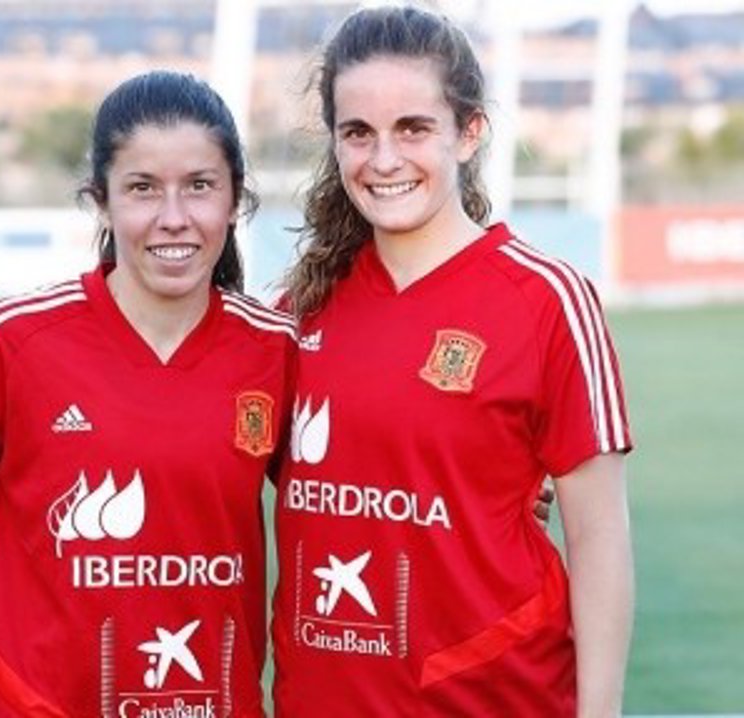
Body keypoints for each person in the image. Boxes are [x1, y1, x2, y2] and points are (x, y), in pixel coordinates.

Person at [0, 70, 298, 717]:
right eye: (142, 188)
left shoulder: (277, 349)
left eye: (200, 186)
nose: (174, 217)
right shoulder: (14, 341)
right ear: (101, 202)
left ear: (235, 200)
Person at [271, 6, 634, 717]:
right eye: (358, 132)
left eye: (413, 128)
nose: (383, 160)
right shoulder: (296, 311)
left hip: (496, 698)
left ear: (469, 132)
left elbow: (599, 540)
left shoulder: (547, 300)